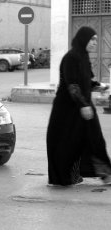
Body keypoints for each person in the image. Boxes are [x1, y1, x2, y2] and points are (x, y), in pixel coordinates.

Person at [46, 26, 111, 186]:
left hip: (84, 107)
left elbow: (86, 81)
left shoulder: (83, 57)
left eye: (96, 39)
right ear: (84, 39)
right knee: (67, 144)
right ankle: (66, 177)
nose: (95, 43)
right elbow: (72, 84)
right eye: (92, 39)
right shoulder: (71, 57)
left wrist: (99, 86)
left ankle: (106, 174)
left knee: (96, 140)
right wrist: (83, 105)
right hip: (67, 111)